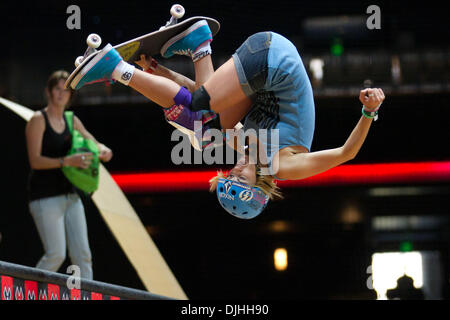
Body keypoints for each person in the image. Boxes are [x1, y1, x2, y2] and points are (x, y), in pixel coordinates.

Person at [67, 20, 384, 219]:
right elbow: (347, 153)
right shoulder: (283, 166)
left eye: (230, 176)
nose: (235, 171)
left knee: (204, 126)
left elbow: (201, 94)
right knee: (201, 122)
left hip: (264, 79)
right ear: (260, 185)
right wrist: (369, 111)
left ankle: (198, 45)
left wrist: (161, 72)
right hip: (274, 62)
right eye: (241, 179)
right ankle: (113, 67)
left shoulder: (247, 148)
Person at [25, 70, 113, 279]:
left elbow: (92, 142)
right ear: (48, 92)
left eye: (66, 90)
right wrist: (66, 161)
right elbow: (35, 161)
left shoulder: (72, 120)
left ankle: (86, 295)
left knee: (83, 255)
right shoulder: (38, 119)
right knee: (56, 254)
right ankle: (27, 292)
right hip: (45, 196)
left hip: (71, 195)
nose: (61, 94)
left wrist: (103, 150)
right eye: (57, 88)